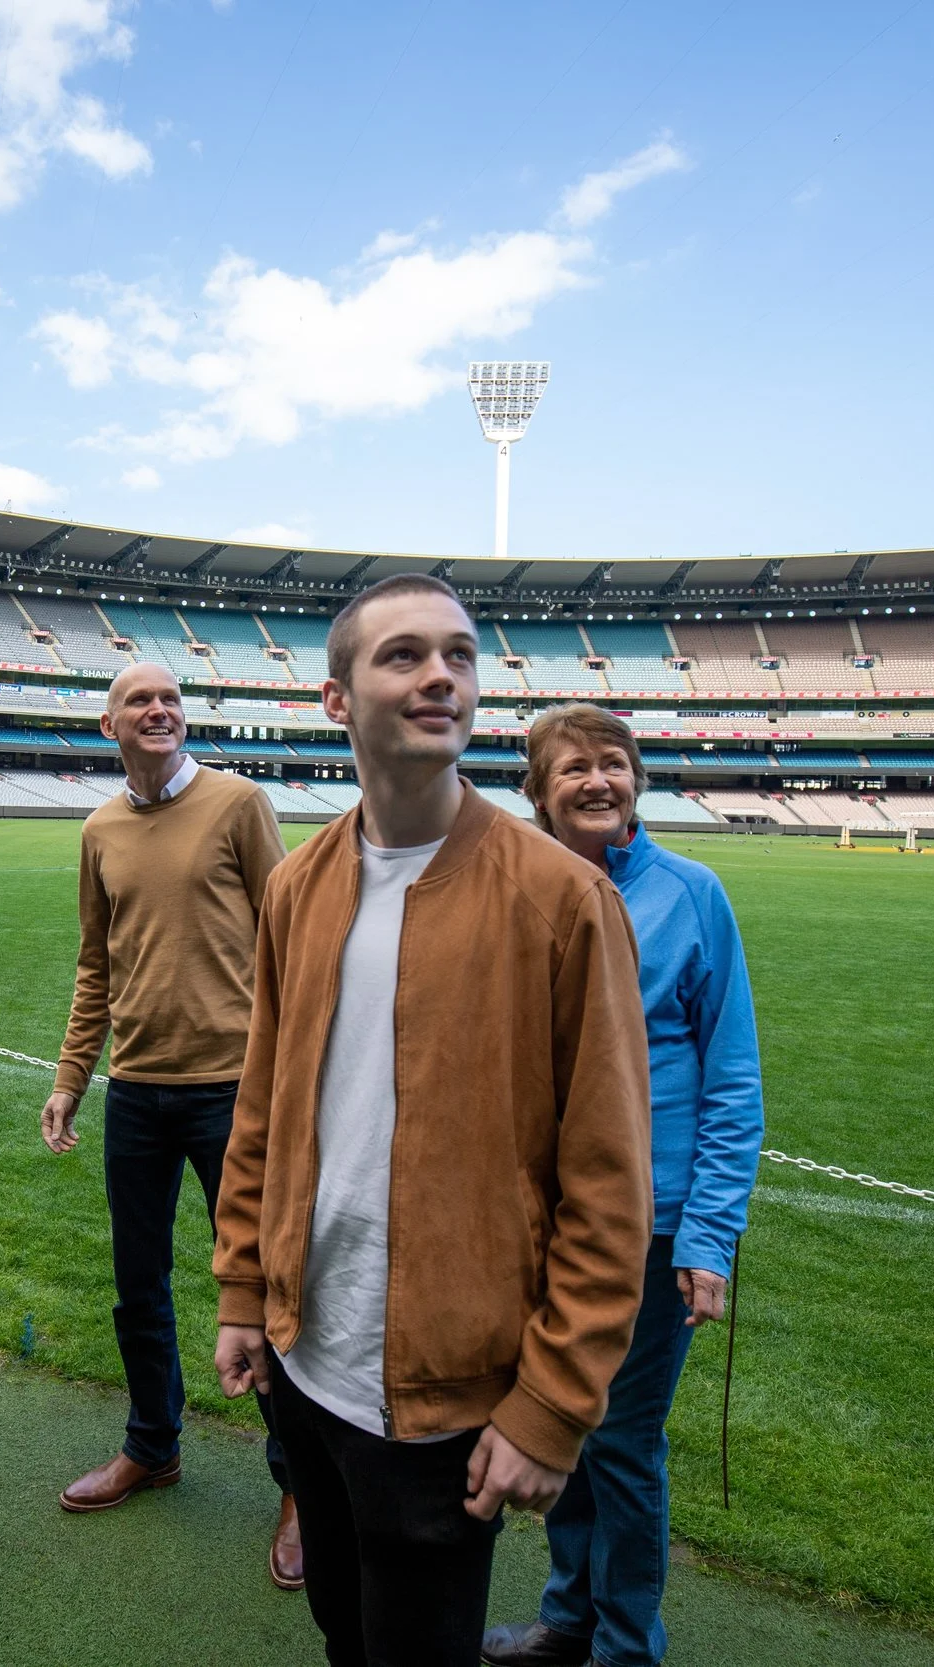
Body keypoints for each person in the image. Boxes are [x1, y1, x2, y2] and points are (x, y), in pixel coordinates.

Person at [212, 574, 655, 1667]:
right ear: (335, 697)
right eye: (403, 655)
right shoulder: (297, 885)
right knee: (342, 1634)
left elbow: (607, 1181)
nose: (440, 675)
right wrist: (239, 1286)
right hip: (304, 1361)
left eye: (458, 654)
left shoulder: (561, 899)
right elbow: (263, 1104)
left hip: (449, 1398)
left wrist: (552, 1403)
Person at [482, 703, 765, 1667]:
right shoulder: (512, 889)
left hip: (654, 1225)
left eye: (615, 764)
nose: (599, 781)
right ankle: (570, 1618)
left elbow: (731, 1078)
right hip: (542, 1221)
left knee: (625, 1442)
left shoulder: (694, 894)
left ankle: (624, 1648)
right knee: (560, 1416)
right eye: (574, 769)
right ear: (539, 791)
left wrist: (707, 1237)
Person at [46, 661, 302, 1587]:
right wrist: (74, 1075)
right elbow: (96, 962)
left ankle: (299, 1482)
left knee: (270, 1285)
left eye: (171, 699)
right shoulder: (100, 827)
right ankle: (153, 1444)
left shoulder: (238, 803)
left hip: (235, 1088)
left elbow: (290, 934)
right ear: (110, 722)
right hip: (139, 1090)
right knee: (137, 1285)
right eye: (140, 701)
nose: (159, 710)